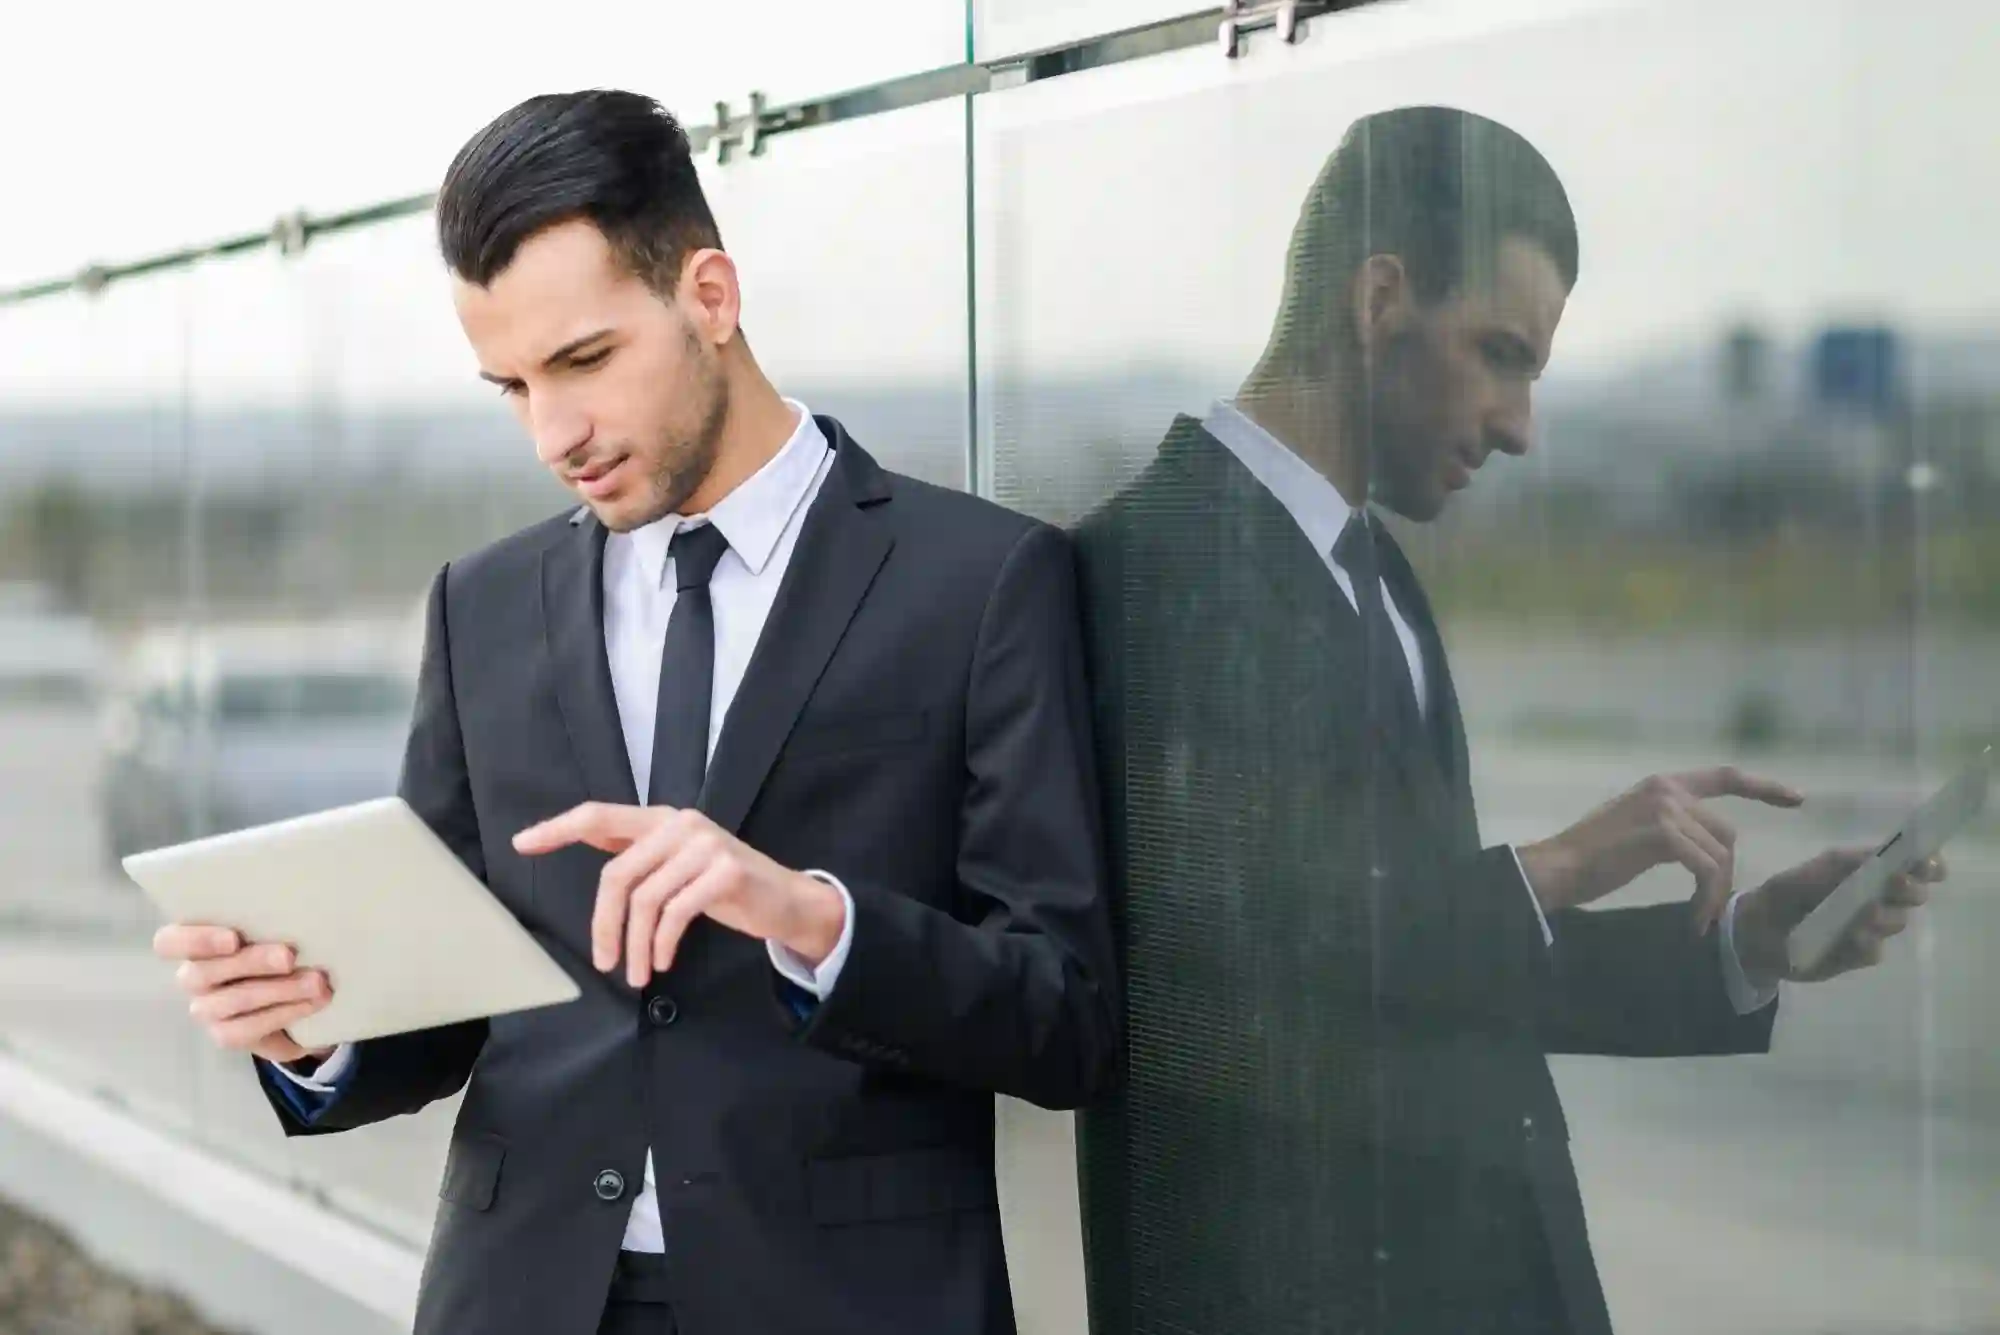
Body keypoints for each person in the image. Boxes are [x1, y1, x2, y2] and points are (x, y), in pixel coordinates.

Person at [152, 89, 1119, 1335]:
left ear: (709, 296)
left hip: (846, 1303)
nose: (553, 433)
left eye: (583, 361)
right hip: (521, 1299)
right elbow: (454, 997)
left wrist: (807, 916)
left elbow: (1066, 1016)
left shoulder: (981, 582)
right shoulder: (481, 605)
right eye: (510, 385)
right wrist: (310, 1029)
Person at [1074, 105, 1943, 1335]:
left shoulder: (1367, 572)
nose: (1520, 427)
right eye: (1500, 354)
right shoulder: (1149, 564)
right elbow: (1257, 969)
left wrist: (1744, 948)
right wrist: (1565, 862)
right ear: (1379, 300)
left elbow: (1432, 975)